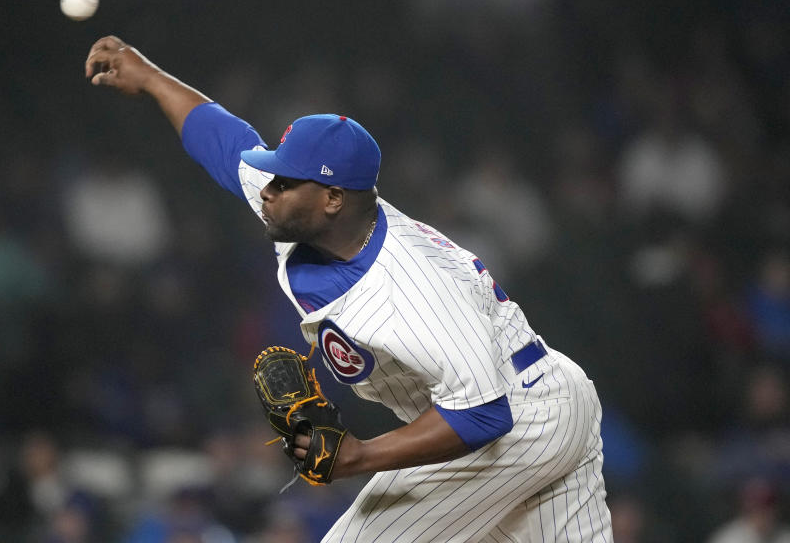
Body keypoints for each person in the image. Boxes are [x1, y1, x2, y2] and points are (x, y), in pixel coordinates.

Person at [85, 35, 613, 542]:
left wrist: (358, 457)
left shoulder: (410, 287)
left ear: (333, 198)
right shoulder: (306, 210)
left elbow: (483, 415)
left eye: (285, 182)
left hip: (519, 418)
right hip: (538, 395)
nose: (268, 189)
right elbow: (227, 145)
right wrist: (151, 77)